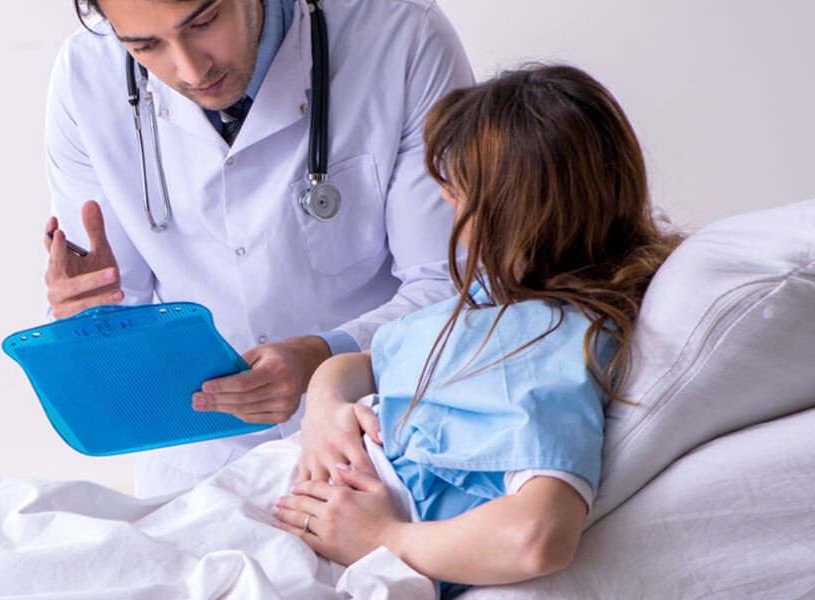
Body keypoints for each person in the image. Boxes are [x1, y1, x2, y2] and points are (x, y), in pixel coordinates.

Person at [273, 64, 683, 594]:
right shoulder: (501, 299)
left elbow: (538, 535)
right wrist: (324, 409)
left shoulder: (551, 341)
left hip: (328, 534)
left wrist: (384, 537)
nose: (449, 208)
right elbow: (365, 365)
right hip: (305, 482)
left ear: (521, 213)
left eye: (460, 193)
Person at [43, 0, 475, 496]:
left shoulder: (403, 37)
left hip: (380, 441)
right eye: (144, 46)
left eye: (204, 22)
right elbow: (118, 322)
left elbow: (455, 287)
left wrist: (324, 359)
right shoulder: (85, 80)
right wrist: (88, 318)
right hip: (197, 472)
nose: (190, 69)